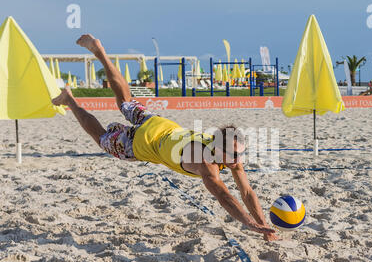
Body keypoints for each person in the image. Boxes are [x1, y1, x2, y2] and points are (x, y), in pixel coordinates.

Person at [51, 34, 279, 241]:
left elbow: (247, 192)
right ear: (218, 148)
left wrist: (262, 224)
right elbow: (224, 195)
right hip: (141, 143)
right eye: (233, 154)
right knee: (101, 138)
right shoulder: (206, 163)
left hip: (159, 124)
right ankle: (69, 99)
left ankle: (99, 51)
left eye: (240, 153)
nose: (237, 159)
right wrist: (250, 223)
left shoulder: (228, 153)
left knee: (125, 102)